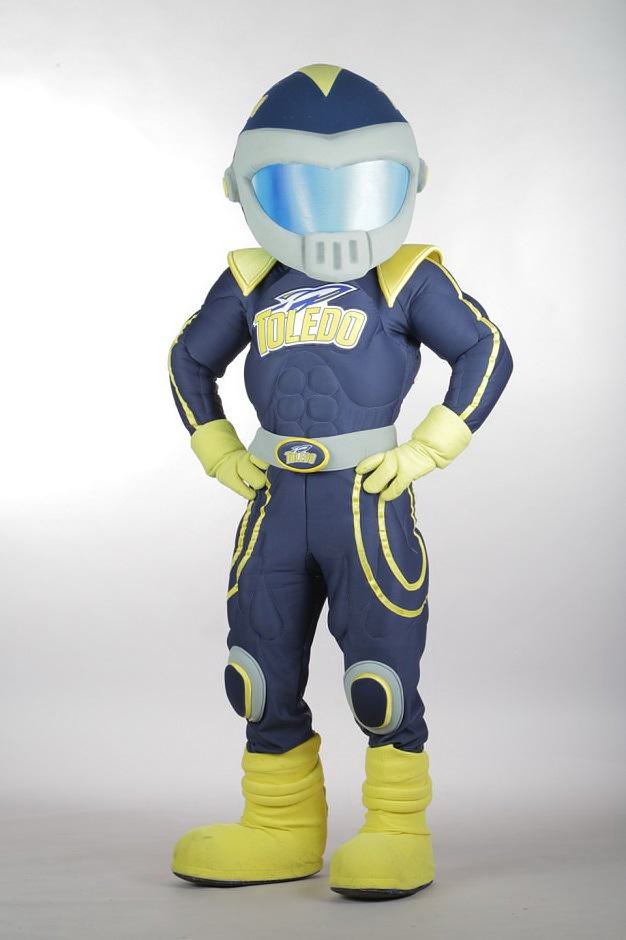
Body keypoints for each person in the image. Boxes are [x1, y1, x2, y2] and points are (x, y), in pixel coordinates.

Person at [168, 64, 513, 900]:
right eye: (296, 186)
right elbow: (189, 359)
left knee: (381, 675)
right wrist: (218, 449)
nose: (330, 215)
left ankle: (397, 828)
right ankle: (278, 825)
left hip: (367, 497)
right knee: (257, 667)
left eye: (358, 184)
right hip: (275, 499)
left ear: (405, 181)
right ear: (245, 188)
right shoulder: (251, 279)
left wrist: (429, 448)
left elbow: (485, 350)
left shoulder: (405, 275)